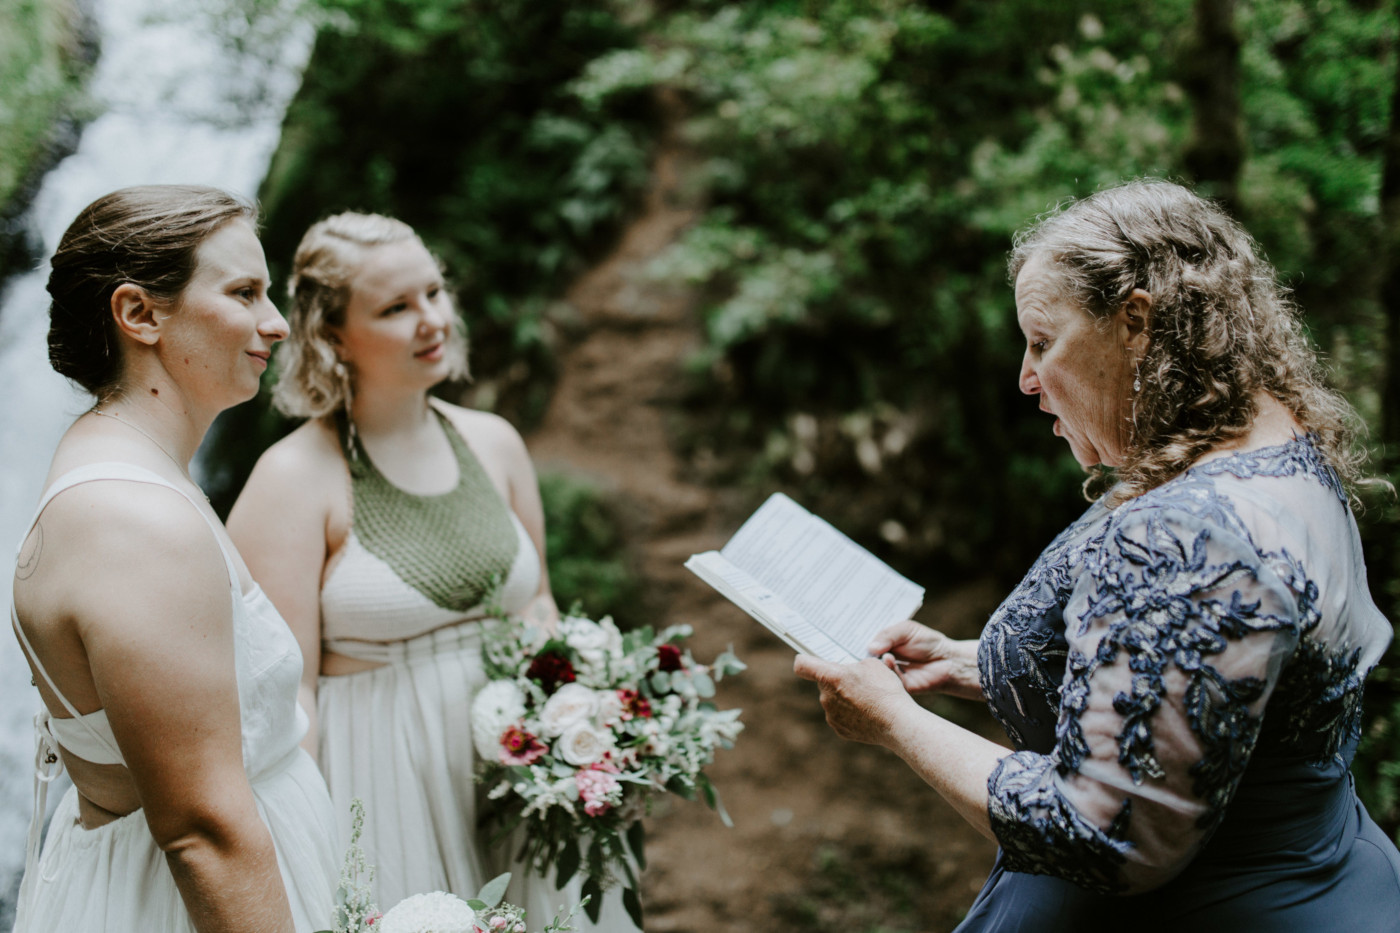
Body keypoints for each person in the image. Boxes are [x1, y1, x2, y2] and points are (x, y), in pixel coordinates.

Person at [794, 180, 1400, 931]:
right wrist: (964, 663)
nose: (1025, 376)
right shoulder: (1276, 447)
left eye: (1043, 341)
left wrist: (893, 720)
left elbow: (1101, 833)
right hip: (1333, 875)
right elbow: (1204, 676)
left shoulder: (1184, 532)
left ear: (1136, 322)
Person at [228, 211, 640, 928]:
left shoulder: (497, 443)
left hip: (520, 776)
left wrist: (588, 730)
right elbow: (284, 694)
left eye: (434, 293)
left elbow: (538, 602)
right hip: (383, 786)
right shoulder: (291, 479)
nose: (432, 320)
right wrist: (309, 856)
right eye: (395, 308)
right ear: (331, 337)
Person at [10, 185, 338, 932]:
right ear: (139, 314)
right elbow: (203, 833)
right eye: (245, 292)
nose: (277, 322)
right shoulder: (132, 523)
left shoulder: (140, 475)